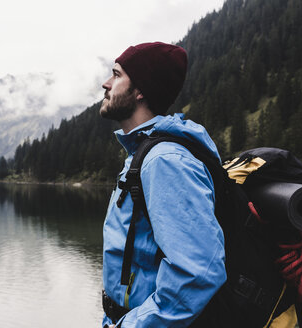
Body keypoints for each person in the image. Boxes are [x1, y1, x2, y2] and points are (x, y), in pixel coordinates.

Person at [100, 42, 227, 328]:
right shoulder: (144, 152)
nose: (105, 83)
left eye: (117, 75)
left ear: (140, 90)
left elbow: (198, 274)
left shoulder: (165, 160)